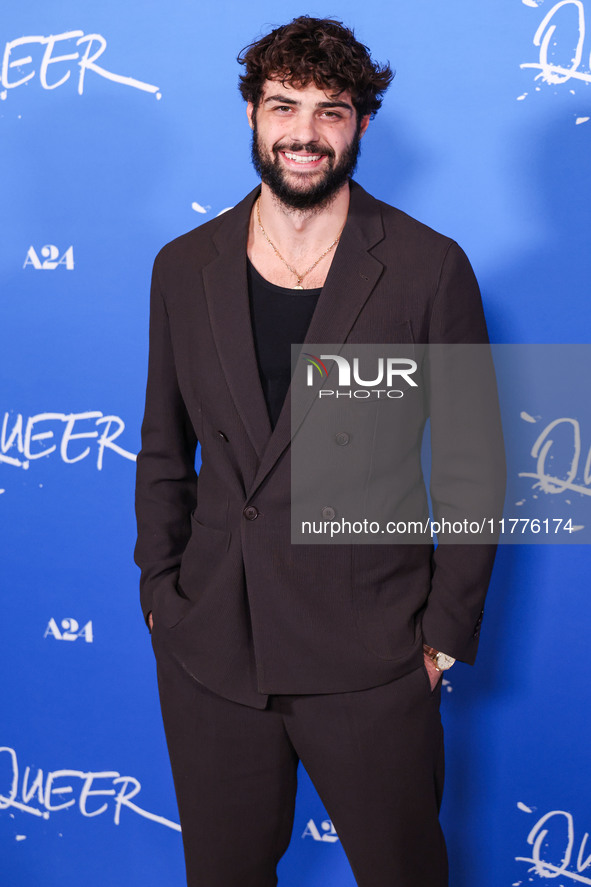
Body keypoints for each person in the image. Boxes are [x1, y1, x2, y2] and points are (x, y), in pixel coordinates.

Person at [134, 15, 503, 887]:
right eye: (282, 106)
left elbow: (472, 464)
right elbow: (161, 447)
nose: (304, 132)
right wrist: (162, 597)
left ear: (360, 124)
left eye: (330, 111)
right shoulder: (182, 267)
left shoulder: (425, 267)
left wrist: (438, 641)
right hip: (212, 647)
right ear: (252, 116)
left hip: (371, 652)